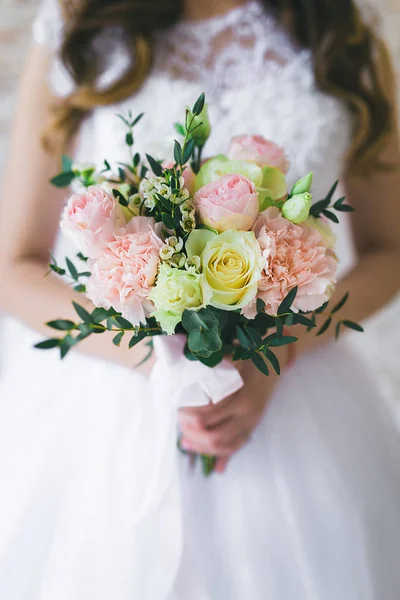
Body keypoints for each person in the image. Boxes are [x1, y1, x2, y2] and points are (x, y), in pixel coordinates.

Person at [0, 0, 400, 598]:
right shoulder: (80, 28)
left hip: (293, 401)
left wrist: (280, 353)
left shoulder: (341, 34)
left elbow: (388, 249)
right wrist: (166, 367)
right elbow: (14, 266)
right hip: (111, 411)